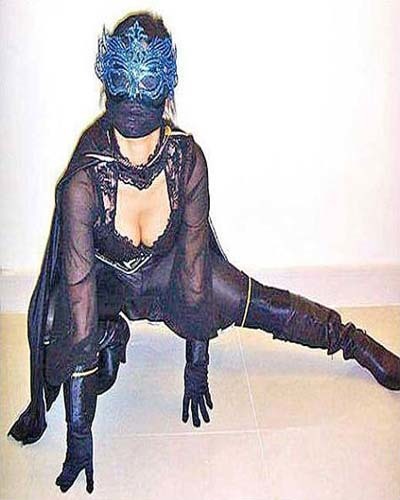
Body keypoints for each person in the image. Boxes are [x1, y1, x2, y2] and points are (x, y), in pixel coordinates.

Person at [8, 10, 400, 495]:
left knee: (257, 301)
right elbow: (80, 298)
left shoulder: (187, 160)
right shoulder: (85, 182)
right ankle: (114, 336)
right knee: (58, 328)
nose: (135, 130)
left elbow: (194, 280)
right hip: (105, 285)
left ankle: (352, 341)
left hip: (168, 273)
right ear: (108, 94)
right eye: (125, 107)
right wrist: (80, 435)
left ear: (166, 95)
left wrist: (196, 365)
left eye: (146, 105)